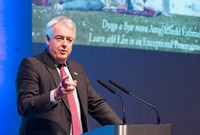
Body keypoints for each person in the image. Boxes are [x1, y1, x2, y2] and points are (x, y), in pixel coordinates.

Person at [16, 16, 122, 135]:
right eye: (59, 38)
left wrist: (123, 129)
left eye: (69, 40)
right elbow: (24, 106)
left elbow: (95, 104)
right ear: (47, 39)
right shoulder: (32, 65)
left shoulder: (77, 68)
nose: (65, 44)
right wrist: (56, 94)